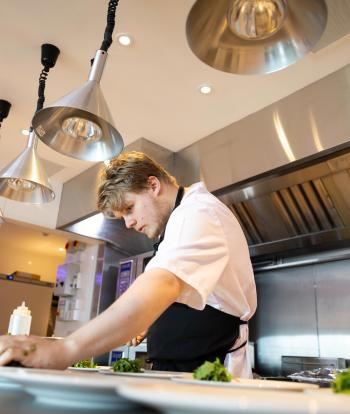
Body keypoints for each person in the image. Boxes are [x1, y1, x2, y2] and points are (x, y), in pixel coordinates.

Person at [0, 151, 256, 377]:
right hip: (182, 369)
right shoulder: (181, 219)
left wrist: (66, 348)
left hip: (211, 370)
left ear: (153, 185)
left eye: (130, 208)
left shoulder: (198, 213)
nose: (128, 223)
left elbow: (165, 282)